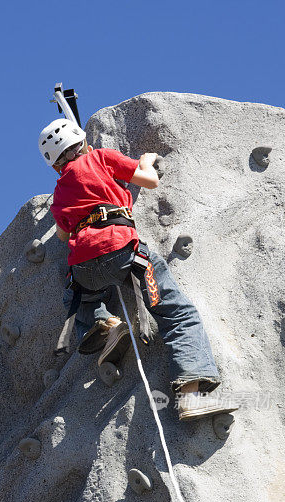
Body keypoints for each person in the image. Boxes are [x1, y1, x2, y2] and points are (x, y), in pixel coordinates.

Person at [38, 118, 240, 421]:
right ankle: (191, 396)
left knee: (79, 299)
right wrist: (145, 160)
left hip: (83, 267)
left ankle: (103, 326)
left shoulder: (59, 193)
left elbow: (64, 235)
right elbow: (149, 180)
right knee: (177, 313)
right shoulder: (100, 157)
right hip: (122, 250)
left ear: (55, 166)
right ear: (84, 145)